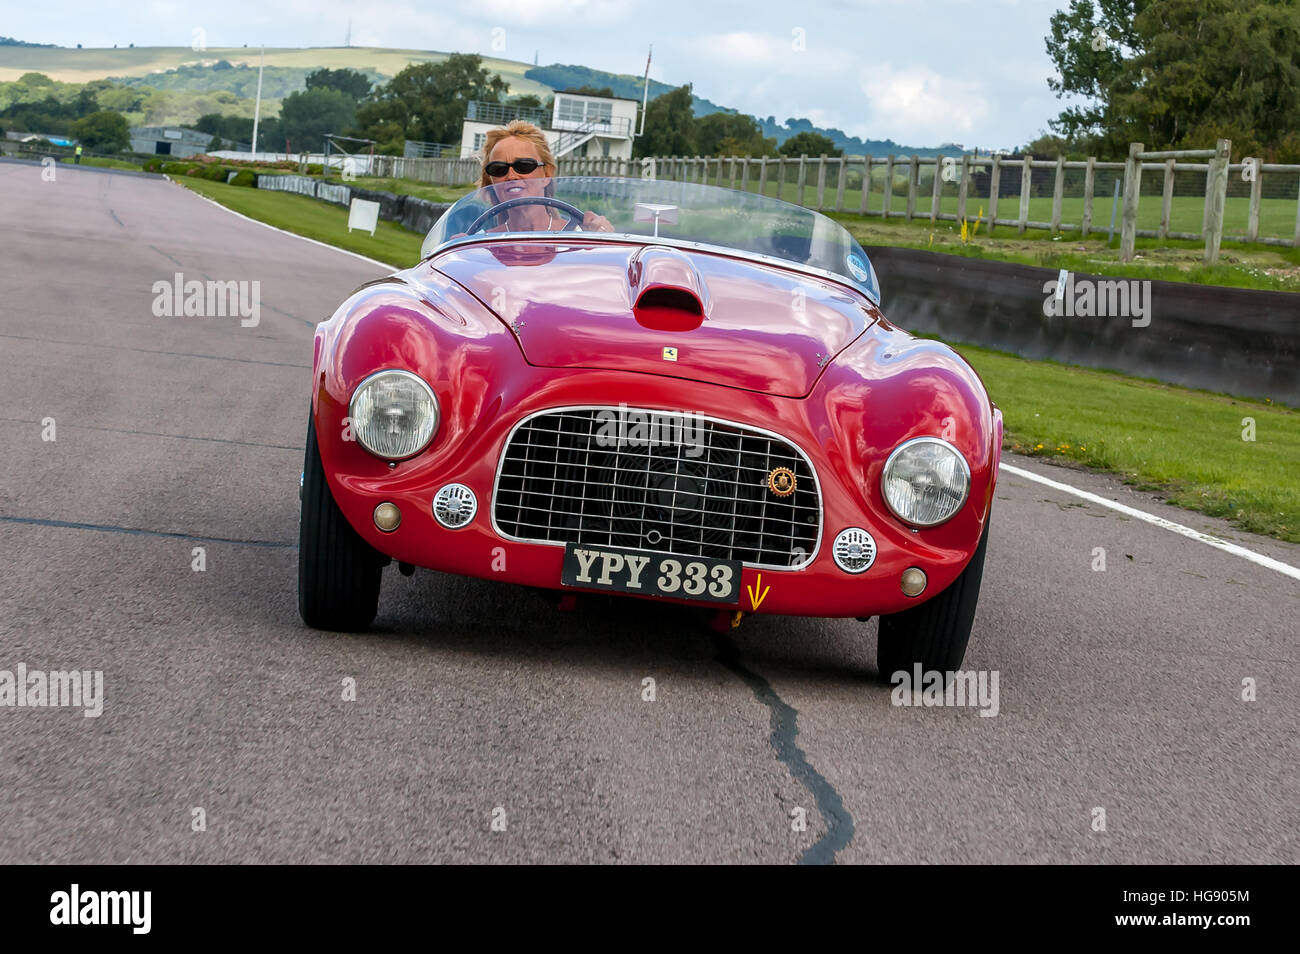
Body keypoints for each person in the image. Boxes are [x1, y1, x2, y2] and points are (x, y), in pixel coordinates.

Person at [447, 120, 614, 236]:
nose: (511, 176)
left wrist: (604, 240)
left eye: (524, 166)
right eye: (499, 169)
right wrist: (459, 256)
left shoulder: (579, 237)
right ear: (491, 180)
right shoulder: (480, 244)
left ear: (547, 174)